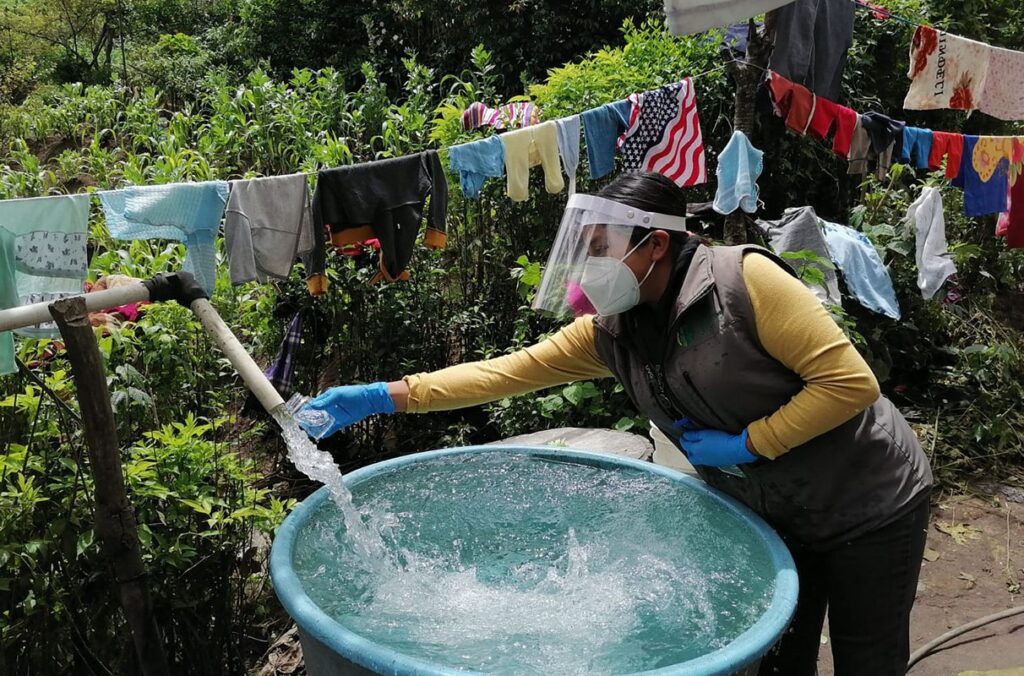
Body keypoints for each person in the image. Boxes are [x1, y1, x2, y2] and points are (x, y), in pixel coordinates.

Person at [303, 171, 932, 676]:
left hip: (867, 502)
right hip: (771, 509)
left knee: (867, 659)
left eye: (597, 250)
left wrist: (749, 443)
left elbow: (850, 384)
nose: (585, 271)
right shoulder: (611, 328)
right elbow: (505, 374)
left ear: (653, 243)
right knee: (779, 660)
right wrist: (387, 395)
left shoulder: (746, 281)